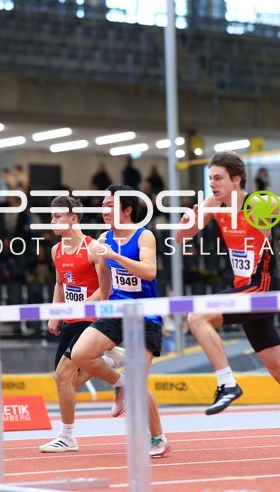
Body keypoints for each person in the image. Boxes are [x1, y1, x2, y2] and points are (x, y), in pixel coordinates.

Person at [173, 150, 280, 416]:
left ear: (236, 180)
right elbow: (182, 238)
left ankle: (227, 383)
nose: (212, 184)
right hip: (245, 289)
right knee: (279, 367)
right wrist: (185, 224)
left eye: (218, 178)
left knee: (197, 316)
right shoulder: (213, 204)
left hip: (261, 287)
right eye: (210, 178)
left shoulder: (258, 203)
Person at [71, 185, 170, 457]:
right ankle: (120, 383)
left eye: (110, 205)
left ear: (127, 210)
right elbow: (104, 272)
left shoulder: (143, 236)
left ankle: (158, 436)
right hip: (115, 310)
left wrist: (115, 256)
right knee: (81, 353)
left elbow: (149, 272)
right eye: (102, 205)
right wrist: (98, 302)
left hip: (144, 315)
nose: (104, 210)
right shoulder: (104, 237)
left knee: (139, 382)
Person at [39, 195, 124, 453]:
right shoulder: (56, 250)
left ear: (73, 219)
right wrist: (56, 313)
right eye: (51, 216)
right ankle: (111, 361)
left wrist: (85, 304)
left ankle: (67, 437)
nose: (52, 221)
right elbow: (59, 283)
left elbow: (106, 287)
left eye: (57, 217)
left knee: (62, 375)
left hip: (92, 320)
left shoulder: (92, 248)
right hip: (70, 321)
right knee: (67, 382)